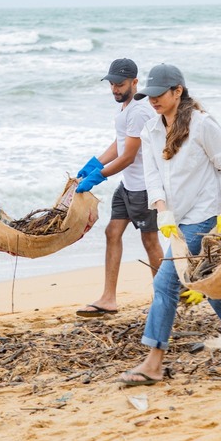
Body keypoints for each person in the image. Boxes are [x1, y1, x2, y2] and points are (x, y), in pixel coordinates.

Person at [118, 64, 221, 386]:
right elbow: (153, 176)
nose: (152, 100)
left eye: (158, 94)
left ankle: (153, 362)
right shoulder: (150, 129)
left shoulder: (202, 124)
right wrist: (162, 212)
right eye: (148, 95)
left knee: (166, 283)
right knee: (206, 282)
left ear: (177, 91)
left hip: (205, 216)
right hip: (176, 219)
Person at [74, 59, 164, 317]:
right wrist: (93, 164)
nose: (115, 89)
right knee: (112, 232)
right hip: (128, 185)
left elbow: (128, 157)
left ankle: (164, 296)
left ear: (135, 82)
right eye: (112, 84)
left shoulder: (139, 111)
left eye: (120, 84)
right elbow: (120, 143)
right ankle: (109, 298)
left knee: (150, 240)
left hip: (144, 188)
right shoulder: (127, 108)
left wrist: (97, 177)